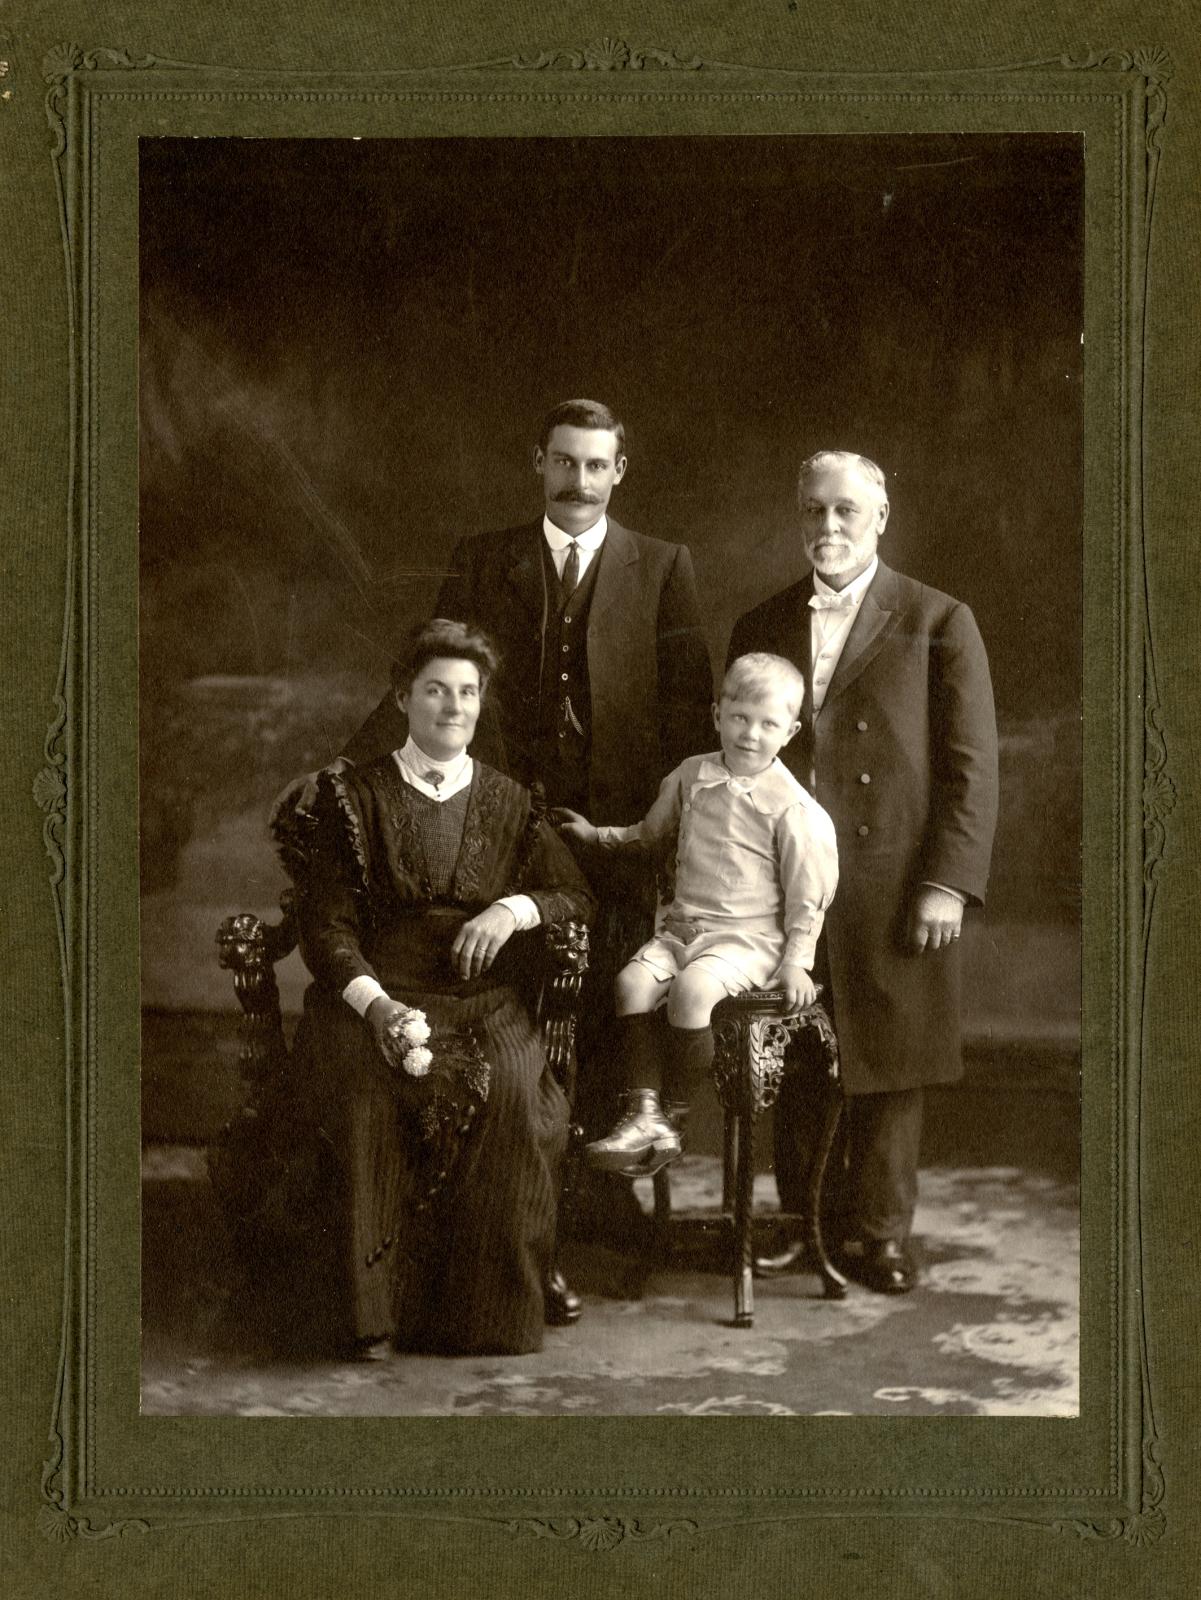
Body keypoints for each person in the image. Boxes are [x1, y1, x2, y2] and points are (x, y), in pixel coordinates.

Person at [727, 451, 998, 1294]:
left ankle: (876, 1233)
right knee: (796, 1055)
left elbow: (970, 763)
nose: (828, 528)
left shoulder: (937, 618)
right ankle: (799, 1223)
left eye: (846, 512)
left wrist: (946, 881)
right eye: (813, 511)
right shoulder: (761, 621)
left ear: (881, 517)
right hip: (784, 881)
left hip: (891, 881)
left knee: (887, 1060)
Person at [291, 619, 596, 1356]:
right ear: (403, 698)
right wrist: (376, 1005)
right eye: (435, 690)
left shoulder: (510, 799)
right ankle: (373, 1315)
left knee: (519, 1095)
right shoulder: (351, 799)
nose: (452, 707)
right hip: (375, 993)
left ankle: (484, 1319)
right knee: (367, 1096)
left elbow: (572, 896)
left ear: (481, 703)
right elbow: (326, 929)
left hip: (481, 999)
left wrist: (511, 908)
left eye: (466, 692)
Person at [342, 398, 714, 823]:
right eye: (564, 462)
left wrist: (671, 826)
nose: (579, 482)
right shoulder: (481, 560)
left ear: (620, 470)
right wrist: (348, 764)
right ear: (540, 461)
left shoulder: (663, 566)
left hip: (621, 821)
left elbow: (689, 711)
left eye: (596, 466)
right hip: (497, 809)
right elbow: (425, 674)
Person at [557, 653, 838, 1176]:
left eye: (768, 724)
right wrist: (598, 837)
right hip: (684, 928)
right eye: (738, 717)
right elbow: (650, 833)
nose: (750, 734)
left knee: (690, 992)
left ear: (791, 731)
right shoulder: (691, 775)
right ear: (716, 714)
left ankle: (673, 1115)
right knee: (629, 985)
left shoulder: (793, 809)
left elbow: (808, 895)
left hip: (747, 940)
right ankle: (642, 1113)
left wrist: (798, 961)